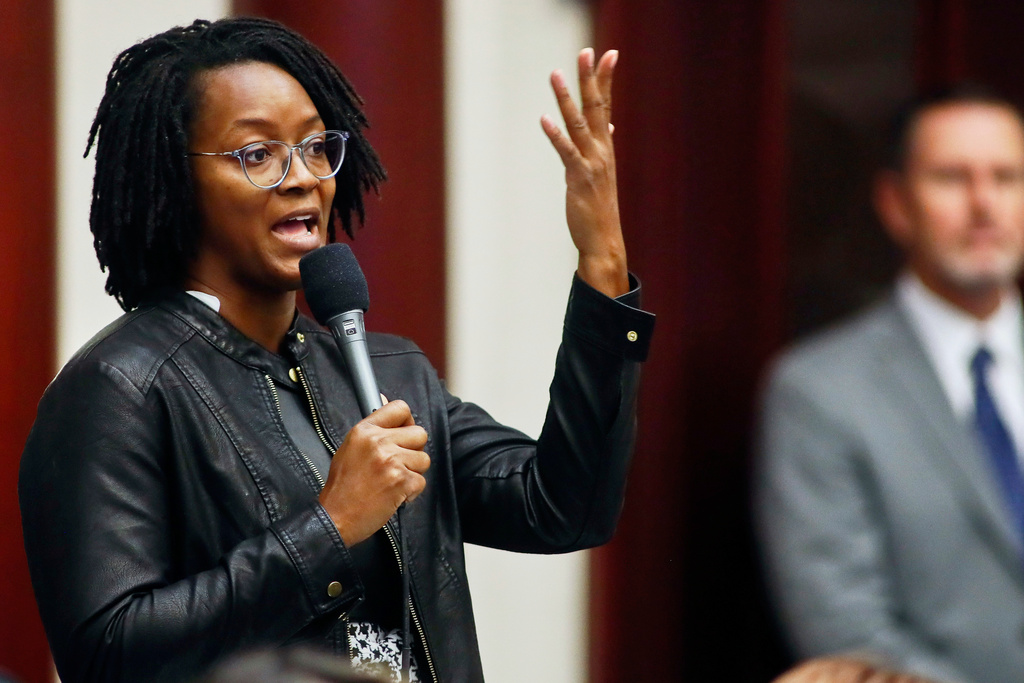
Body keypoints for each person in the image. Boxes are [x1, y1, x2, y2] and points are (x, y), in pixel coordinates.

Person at [18, 16, 654, 683]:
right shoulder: (121, 387)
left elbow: (562, 508)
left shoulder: (390, 370)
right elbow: (107, 653)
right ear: (174, 181)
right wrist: (329, 525)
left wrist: (602, 259)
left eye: (317, 146)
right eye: (258, 154)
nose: (304, 178)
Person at [755, 84, 1024, 683]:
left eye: (1007, 178)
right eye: (954, 178)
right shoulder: (817, 392)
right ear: (896, 203)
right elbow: (849, 634)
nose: (985, 204)